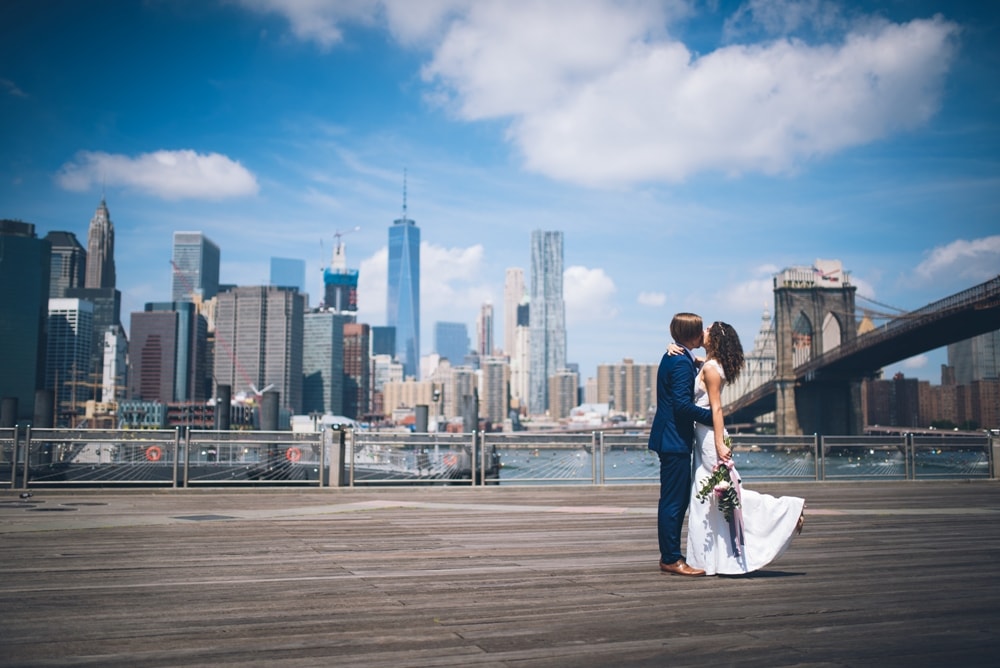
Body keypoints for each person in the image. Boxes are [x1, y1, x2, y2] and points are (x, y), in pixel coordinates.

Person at [684, 321, 805, 575]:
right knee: (709, 497)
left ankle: (788, 512)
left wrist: (718, 443)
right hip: (706, 436)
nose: (702, 331)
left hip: (709, 439)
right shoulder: (709, 366)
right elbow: (698, 368)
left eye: (707, 330)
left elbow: (716, 408)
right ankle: (711, 561)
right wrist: (678, 350)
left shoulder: (712, 370)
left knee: (725, 493)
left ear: (715, 338)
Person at [648, 313, 714, 577]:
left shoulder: (680, 357)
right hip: (673, 439)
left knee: (674, 500)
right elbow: (682, 406)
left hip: (672, 438)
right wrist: (716, 417)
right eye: (701, 330)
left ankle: (672, 555)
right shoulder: (680, 363)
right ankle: (671, 558)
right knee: (674, 502)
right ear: (694, 334)